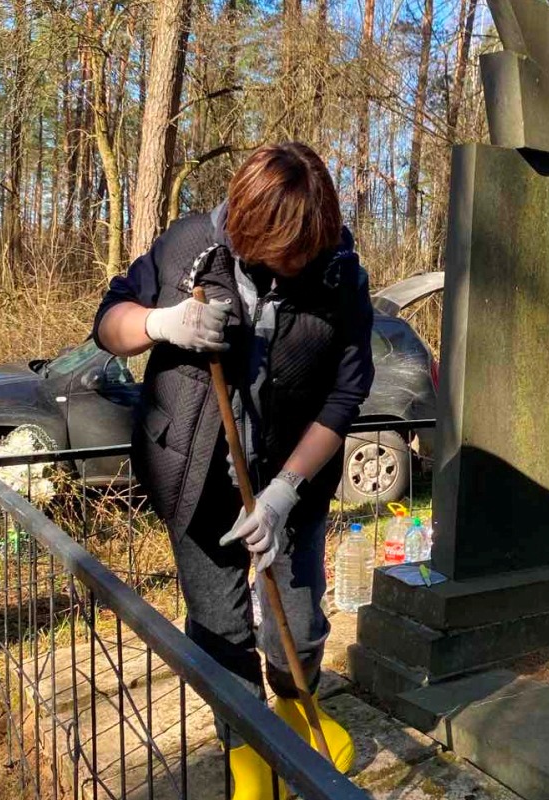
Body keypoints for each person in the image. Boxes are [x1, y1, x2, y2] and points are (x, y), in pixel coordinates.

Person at [93, 143, 373, 797]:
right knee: (219, 629)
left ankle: (296, 709)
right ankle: (247, 749)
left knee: (297, 623)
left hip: (289, 485)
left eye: (298, 254)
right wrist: (163, 322)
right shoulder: (190, 246)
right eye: (273, 253)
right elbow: (109, 323)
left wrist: (284, 492)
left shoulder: (339, 277)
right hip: (193, 480)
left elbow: (346, 395)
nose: (286, 267)